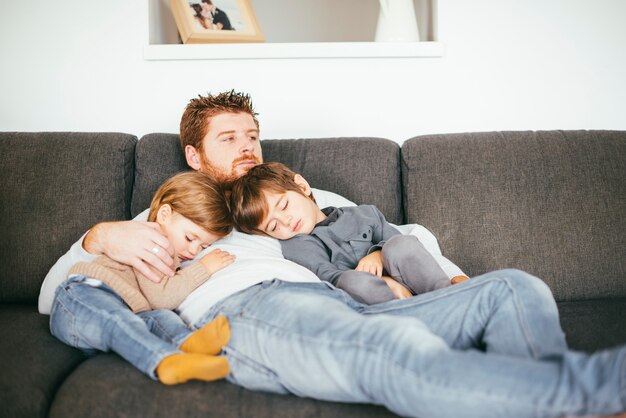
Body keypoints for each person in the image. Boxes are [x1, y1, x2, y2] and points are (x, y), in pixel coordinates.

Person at [39, 91, 626, 418]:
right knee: (392, 351)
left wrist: (448, 280)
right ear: (194, 156)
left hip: (362, 303)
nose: (246, 147)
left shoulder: (308, 195)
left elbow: (401, 232)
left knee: (513, 288)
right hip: (261, 310)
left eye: (252, 135)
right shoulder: (170, 210)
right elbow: (60, 294)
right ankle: (597, 389)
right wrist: (99, 236)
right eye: (228, 138)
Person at [49, 172, 235, 385]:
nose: (194, 251)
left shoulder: (172, 253)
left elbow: (157, 305)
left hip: (120, 316)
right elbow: (163, 297)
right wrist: (203, 267)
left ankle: (188, 343)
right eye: (190, 238)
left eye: (204, 246)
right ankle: (165, 361)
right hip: (83, 297)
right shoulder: (151, 240)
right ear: (165, 215)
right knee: (122, 319)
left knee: (160, 318)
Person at [230, 162, 470, 304]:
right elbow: (327, 275)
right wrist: (379, 280)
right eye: (273, 227)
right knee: (349, 281)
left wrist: (378, 254)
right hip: (375, 297)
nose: (285, 221)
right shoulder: (297, 245)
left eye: (283, 206)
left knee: (402, 245)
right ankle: (405, 313)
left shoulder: (363, 214)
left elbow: (400, 239)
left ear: (302, 187)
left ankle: (448, 296)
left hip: (414, 278)